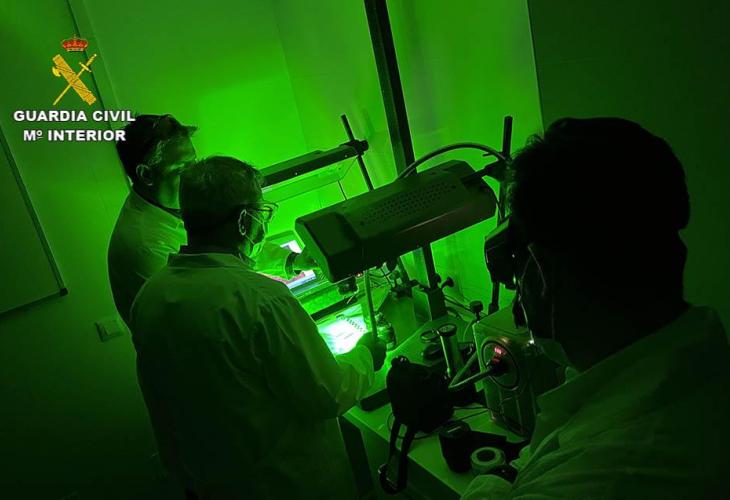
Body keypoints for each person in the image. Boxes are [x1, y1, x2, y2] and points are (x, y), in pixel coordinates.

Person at [463, 118, 730, 499]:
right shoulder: (684, 362)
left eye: (518, 270)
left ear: (542, 271)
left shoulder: (606, 477)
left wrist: (491, 481)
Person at [129, 156, 386, 499]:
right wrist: (367, 353)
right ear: (243, 221)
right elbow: (329, 394)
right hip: (285, 484)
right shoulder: (262, 299)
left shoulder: (150, 296)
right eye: (262, 213)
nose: (263, 227)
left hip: (209, 483)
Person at [108, 114, 314, 325]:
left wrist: (293, 261)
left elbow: (228, 245)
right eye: (181, 169)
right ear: (146, 175)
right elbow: (199, 315)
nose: (194, 176)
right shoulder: (146, 246)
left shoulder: (171, 203)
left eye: (194, 163)